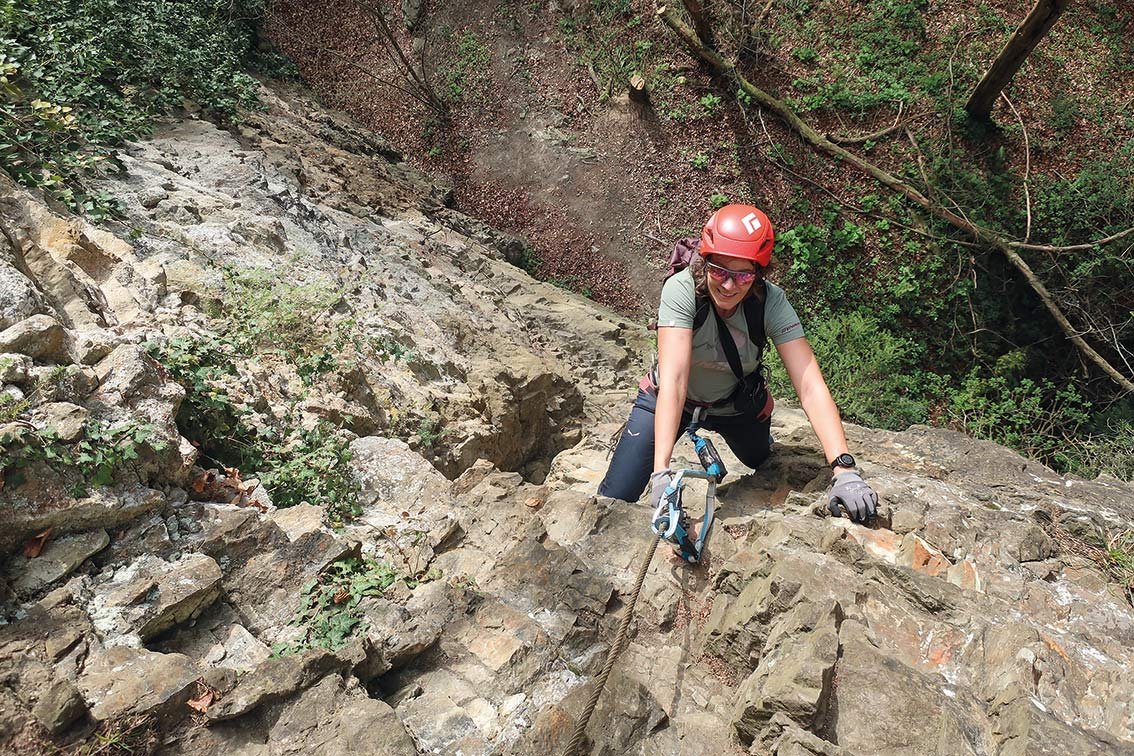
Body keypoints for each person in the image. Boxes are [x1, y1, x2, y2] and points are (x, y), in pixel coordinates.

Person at [597, 203, 877, 530]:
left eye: (743, 275)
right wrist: (661, 473)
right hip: (671, 400)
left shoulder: (770, 302)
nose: (730, 286)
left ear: (759, 273)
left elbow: (810, 385)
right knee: (616, 496)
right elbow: (674, 380)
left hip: (736, 407)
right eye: (719, 271)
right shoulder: (682, 290)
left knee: (760, 460)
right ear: (705, 262)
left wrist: (844, 468)